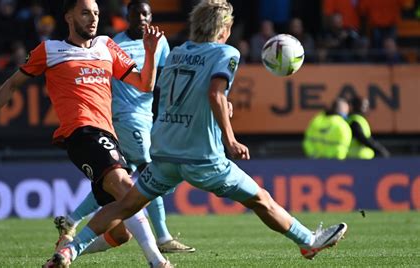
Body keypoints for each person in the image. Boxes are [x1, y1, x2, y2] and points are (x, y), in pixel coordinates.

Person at [49, 0, 348, 266]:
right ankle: (308, 243)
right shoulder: (227, 52)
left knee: (125, 204)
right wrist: (229, 138)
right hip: (202, 157)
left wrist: (220, 103)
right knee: (261, 199)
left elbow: (174, 94)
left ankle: (70, 250)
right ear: (225, 28)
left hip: (165, 152)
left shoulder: (179, 52)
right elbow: (214, 93)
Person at [0, 0, 171, 267]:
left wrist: (150, 52)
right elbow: (11, 85)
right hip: (81, 132)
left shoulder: (106, 46)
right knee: (128, 190)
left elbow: (145, 85)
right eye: (85, 13)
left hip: (107, 135)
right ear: (68, 16)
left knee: (120, 232)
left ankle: (65, 250)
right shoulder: (50, 50)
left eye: (97, 14)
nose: (93, 19)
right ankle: (157, 262)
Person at [53, 0, 195, 255]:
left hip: (145, 117)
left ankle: (72, 221)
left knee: (118, 180)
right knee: (150, 172)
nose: (141, 18)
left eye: (146, 14)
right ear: (127, 16)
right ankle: (162, 237)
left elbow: (163, 76)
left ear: (151, 17)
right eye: (136, 13)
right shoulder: (112, 44)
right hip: (124, 117)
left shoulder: (158, 42)